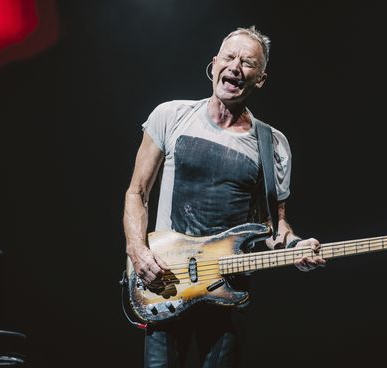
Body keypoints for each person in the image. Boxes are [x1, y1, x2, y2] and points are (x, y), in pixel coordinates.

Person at [123, 25, 325, 368]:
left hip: (227, 289)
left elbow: (275, 228)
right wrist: (137, 251)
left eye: (247, 63)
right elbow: (137, 193)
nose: (235, 67)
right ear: (214, 63)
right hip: (168, 283)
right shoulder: (171, 116)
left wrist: (295, 247)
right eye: (229, 57)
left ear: (260, 79)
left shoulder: (272, 144)